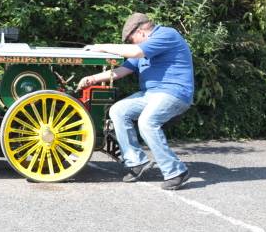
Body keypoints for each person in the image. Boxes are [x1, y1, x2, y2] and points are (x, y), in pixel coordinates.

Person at [78, 12, 194, 190]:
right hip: (150, 94)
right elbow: (122, 70)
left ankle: (176, 172)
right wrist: (92, 78)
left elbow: (136, 51)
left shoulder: (166, 34)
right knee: (118, 110)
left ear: (140, 31)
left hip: (174, 92)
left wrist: (101, 47)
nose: (131, 43)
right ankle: (136, 162)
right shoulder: (143, 47)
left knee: (147, 122)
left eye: (131, 39)